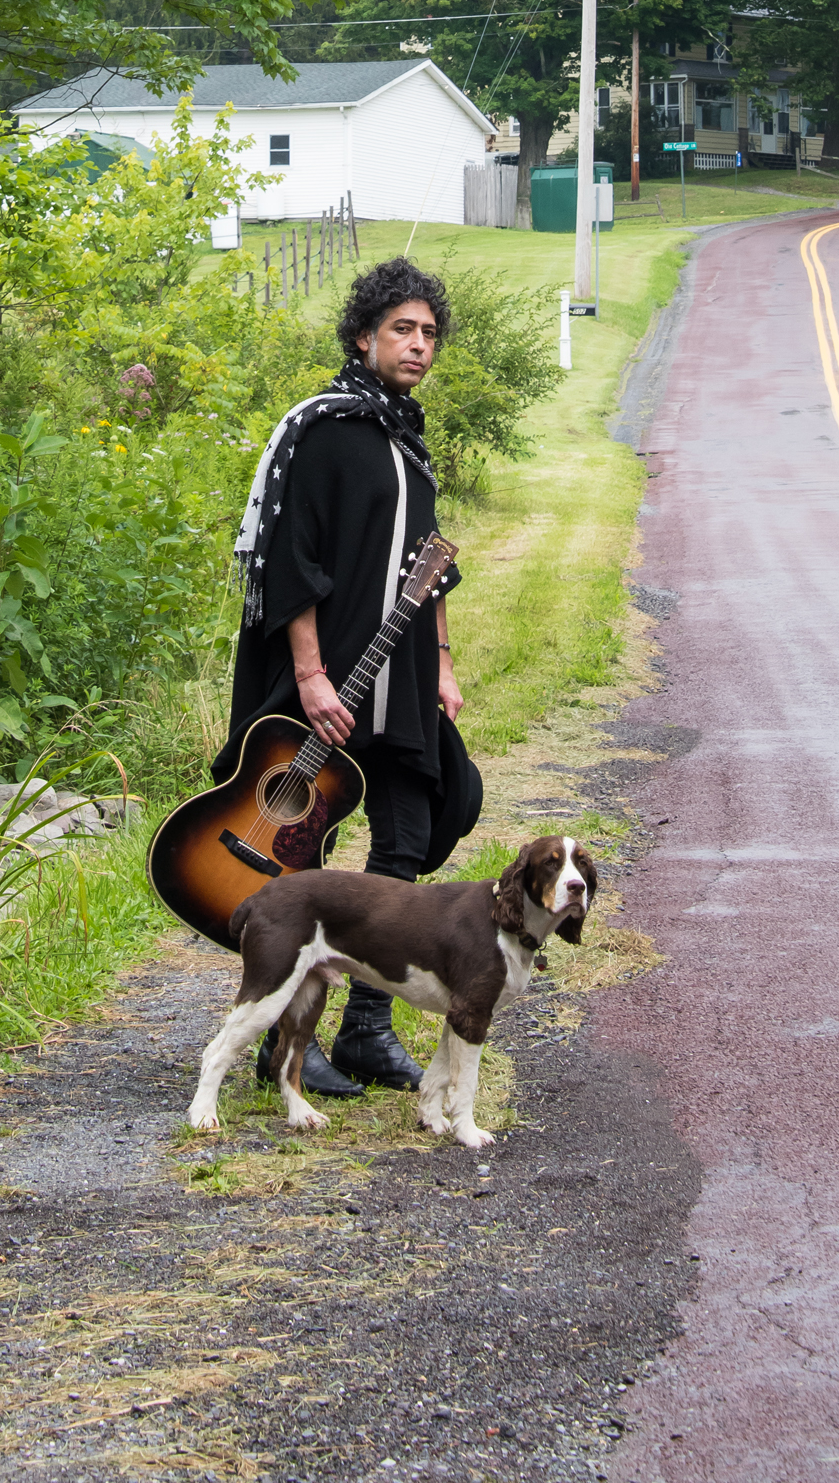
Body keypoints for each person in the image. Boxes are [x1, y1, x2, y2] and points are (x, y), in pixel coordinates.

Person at [218, 254, 483, 1096]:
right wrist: (309, 675)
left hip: (401, 673)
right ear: (364, 335)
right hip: (332, 672)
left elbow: (428, 568)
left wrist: (442, 663)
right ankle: (282, 1038)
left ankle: (368, 1025)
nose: (418, 345)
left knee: (417, 824)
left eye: (429, 333)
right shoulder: (324, 428)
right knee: (308, 839)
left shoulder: (407, 439)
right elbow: (288, 558)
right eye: (402, 329)